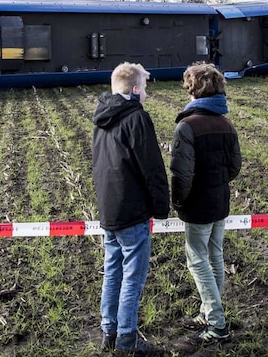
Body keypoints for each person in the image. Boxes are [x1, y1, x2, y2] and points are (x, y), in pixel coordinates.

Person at [92, 62, 170, 354]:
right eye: (145, 88)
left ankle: (108, 332)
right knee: (132, 277)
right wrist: (161, 206)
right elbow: (152, 167)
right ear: (135, 90)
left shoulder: (101, 118)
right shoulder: (137, 117)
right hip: (132, 210)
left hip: (109, 210)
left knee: (112, 272)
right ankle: (127, 340)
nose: (147, 94)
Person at [170, 63, 241, 345]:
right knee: (215, 256)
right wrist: (218, 183)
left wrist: (178, 201)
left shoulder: (186, 126)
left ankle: (216, 323)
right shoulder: (226, 124)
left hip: (197, 205)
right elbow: (235, 166)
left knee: (197, 261)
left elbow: (181, 173)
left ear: (192, 89)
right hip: (220, 201)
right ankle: (208, 311)